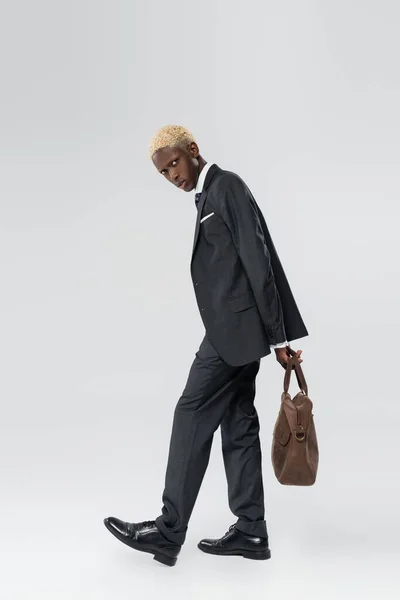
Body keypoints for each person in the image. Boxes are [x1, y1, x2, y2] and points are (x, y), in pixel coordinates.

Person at [103, 125, 308, 567]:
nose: (172, 176)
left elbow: (259, 260)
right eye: (163, 173)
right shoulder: (207, 195)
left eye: (174, 163)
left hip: (235, 333)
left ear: (193, 151)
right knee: (237, 424)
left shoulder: (226, 186)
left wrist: (279, 338)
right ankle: (252, 531)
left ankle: (167, 529)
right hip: (239, 332)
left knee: (191, 411)